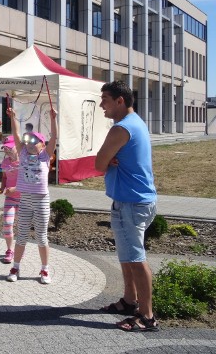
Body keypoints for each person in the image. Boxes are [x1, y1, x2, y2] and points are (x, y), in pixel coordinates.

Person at [95, 80, 159, 332]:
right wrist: (110, 159)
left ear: (120, 101)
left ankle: (147, 316)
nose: (102, 105)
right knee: (128, 256)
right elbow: (106, 161)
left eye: (105, 99)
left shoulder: (121, 129)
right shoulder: (136, 122)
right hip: (137, 201)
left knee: (135, 258)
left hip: (131, 204)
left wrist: (108, 159)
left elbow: (99, 164)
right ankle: (129, 301)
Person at [5, 105, 57, 284]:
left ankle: (44, 270)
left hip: (42, 200)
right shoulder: (23, 154)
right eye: (28, 141)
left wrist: (52, 119)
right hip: (25, 200)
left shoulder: (45, 156)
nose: (30, 144)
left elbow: (54, 138)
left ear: (43, 145)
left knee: (42, 236)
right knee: (22, 235)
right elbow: (17, 134)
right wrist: (12, 117)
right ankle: (15, 267)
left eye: (34, 141)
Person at [0, 135, 21, 264]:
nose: (6, 151)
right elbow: (5, 178)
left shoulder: (25, 162)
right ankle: (9, 250)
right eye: (5, 148)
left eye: (9, 148)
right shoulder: (6, 162)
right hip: (10, 199)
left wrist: (14, 189)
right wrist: (2, 188)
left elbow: (28, 182)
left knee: (22, 227)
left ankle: (19, 250)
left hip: (24, 199)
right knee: (7, 225)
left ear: (17, 147)